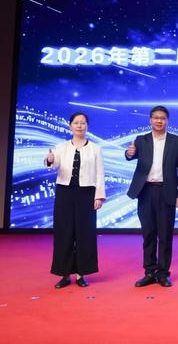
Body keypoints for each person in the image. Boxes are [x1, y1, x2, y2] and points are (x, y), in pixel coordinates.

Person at [126, 105, 178, 288]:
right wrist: (128, 153)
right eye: (156, 118)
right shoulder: (141, 140)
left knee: (165, 235)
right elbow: (130, 155)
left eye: (163, 118)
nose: (159, 121)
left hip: (167, 191)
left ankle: (163, 273)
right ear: (150, 120)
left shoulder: (177, 141)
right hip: (145, 191)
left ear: (167, 121)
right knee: (148, 233)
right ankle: (149, 272)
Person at [46, 112, 105, 289]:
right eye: (76, 123)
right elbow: (54, 165)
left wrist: (99, 196)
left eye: (83, 123)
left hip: (86, 193)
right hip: (65, 192)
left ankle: (81, 274)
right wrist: (49, 160)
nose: (80, 126)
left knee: (84, 233)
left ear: (87, 126)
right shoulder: (61, 146)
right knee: (64, 233)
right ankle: (64, 274)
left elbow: (100, 174)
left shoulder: (95, 148)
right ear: (70, 125)